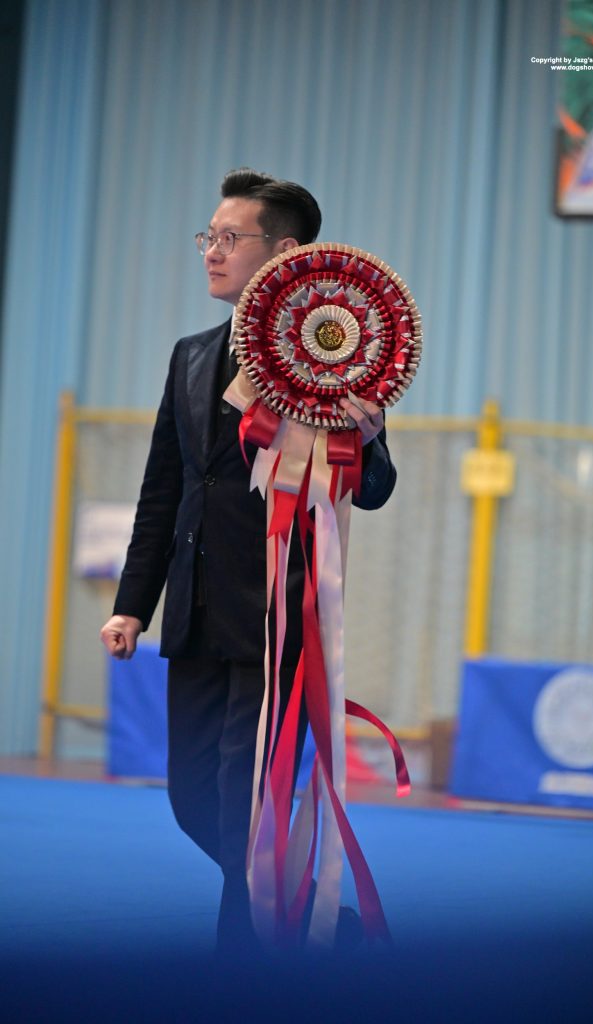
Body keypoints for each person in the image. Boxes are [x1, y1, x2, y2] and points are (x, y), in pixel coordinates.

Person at [100, 168, 397, 957]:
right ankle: (307, 916)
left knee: (244, 803)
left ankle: (243, 969)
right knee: (191, 798)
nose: (211, 251)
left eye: (229, 238)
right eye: (209, 236)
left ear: (284, 251)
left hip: (276, 621)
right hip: (194, 613)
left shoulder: (328, 357)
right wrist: (133, 603)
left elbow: (372, 490)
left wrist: (367, 440)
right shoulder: (191, 355)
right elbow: (163, 490)